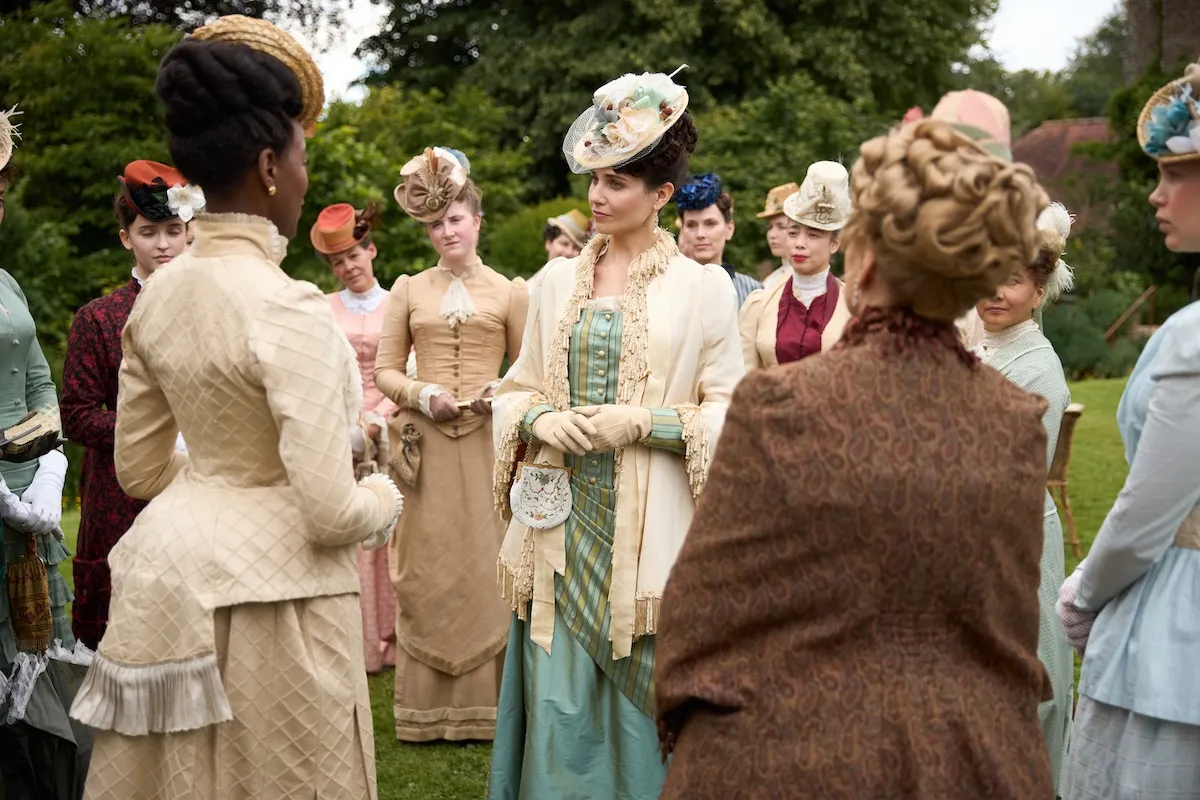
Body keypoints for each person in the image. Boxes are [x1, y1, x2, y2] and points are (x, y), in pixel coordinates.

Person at [655, 106, 1056, 799]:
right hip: (967, 759)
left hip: (783, 754)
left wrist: (691, 734)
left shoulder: (778, 408)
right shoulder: (1015, 421)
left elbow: (699, 619)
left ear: (862, 254)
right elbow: (1006, 635)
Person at [70, 17, 402, 799]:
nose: (305, 175)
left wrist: (228, 471)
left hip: (166, 576)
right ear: (269, 167)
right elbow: (328, 512)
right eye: (302, 157)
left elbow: (141, 468)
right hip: (275, 603)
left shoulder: (157, 298)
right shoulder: (288, 307)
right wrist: (384, 494)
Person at [487, 69, 744, 799]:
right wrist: (541, 417)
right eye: (595, 178)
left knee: (648, 708)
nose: (598, 195)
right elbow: (513, 391)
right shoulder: (550, 282)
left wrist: (648, 423)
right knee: (562, 702)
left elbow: (730, 409)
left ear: (662, 195)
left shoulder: (704, 289)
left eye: (618, 182)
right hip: (555, 521)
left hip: (653, 535)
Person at [1057, 58, 1200, 799]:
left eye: (1177, 173)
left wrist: (1084, 591)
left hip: (1177, 632)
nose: (1156, 192)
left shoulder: (1194, 338)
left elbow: (1150, 514)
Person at [374, 146, 528, 742]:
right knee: (427, 565)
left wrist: (501, 391)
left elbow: (530, 368)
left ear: (476, 220)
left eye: (455, 219)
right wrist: (422, 392)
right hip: (428, 451)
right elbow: (386, 370)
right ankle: (427, 712)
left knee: (485, 565)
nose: (445, 231)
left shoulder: (510, 291)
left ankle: (490, 710)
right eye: (435, 224)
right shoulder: (409, 289)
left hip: (488, 449)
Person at [64, 160, 203, 650]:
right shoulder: (98, 319)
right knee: (127, 629)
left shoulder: (215, 306)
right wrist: (150, 432)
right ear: (126, 238)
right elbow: (77, 413)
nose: (162, 244)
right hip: (124, 493)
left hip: (209, 479)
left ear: (191, 232)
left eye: (173, 229)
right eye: (148, 232)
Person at [0, 102, 91, 800]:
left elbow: (37, 378)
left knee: (38, 655)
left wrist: (49, 468)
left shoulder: (7, 282)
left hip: (30, 492)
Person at [972, 201, 1076, 792]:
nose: (994, 291)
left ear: (1038, 291)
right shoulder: (978, 346)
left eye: (1011, 279)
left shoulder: (1038, 371)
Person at [311, 201, 401, 675]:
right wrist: (346, 424)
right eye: (337, 262)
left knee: (392, 529)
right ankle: (355, 640)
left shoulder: (398, 302)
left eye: (353, 256)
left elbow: (405, 367)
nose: (347, 268)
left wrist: (378, 419)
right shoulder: (323, 309)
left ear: (372, 251)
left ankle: (396, 638)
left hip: (390, 428)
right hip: (339, 428)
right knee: (348, 530)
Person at [737, 161, 852, 371]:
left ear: (835, 244)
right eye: (792, 233)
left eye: (813, 235)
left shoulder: (854, 308)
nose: (799, 243)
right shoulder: (760, 304)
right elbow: (743, 381)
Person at [675, 172, 762, 308]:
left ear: (729, 229)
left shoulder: (753, 292)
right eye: (691, 225)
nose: (700, 234)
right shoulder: (667, 289)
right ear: (682, 229)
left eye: (710, 223)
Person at [529, 209, 590, 295]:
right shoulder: (529, 286)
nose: (569, 252)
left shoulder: (580, 291)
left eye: (576, 248)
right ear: (549, 243)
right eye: (564, 244)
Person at [756, 181, 798, 289]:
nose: (772, 235)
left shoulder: (809, 280)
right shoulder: (770, 281)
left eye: (781, 227)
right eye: (769, 227)